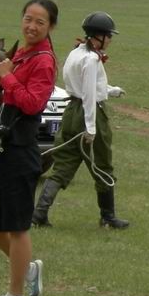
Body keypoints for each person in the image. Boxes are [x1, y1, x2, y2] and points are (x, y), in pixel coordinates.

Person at [0, 0, 58, 296]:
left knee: (17, 226)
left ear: (50, 26)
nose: (32, 26)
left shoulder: (44, 60)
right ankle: (27, 270)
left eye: (40, 21)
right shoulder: (23, 53)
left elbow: (32, 103)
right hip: (4, 147)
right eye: (27, 19)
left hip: (22, 150)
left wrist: (7, 76)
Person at [33, 12, 129, 229]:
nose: (111, 40)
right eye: (109, 36)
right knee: (102, 164)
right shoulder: (92, 58)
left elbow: (86, 84)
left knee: (63, 164)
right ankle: (108, 217)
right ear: (99, 36)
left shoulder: (76, 52)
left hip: (71, 112)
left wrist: (110, 90)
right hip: (89, 112)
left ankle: (39, 214)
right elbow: (88, 94)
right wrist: (92, 127)